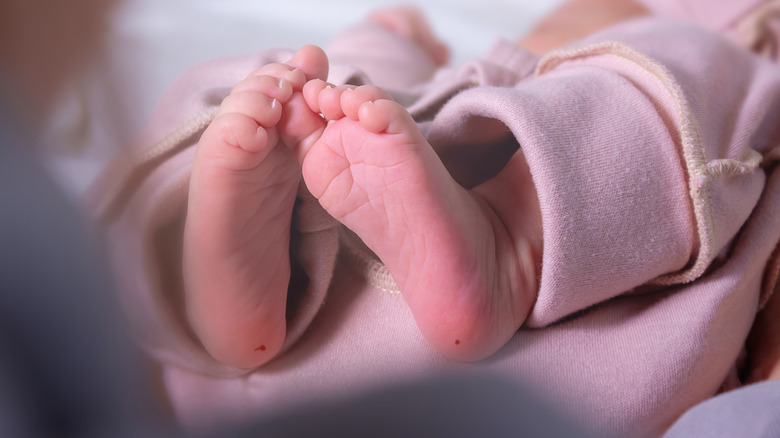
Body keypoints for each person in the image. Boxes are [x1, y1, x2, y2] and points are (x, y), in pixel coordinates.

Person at [88, 0, 780, 435]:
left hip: (247, 393)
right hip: (533, 369)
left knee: (284, 94)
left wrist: (386, 35)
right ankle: (506, 243)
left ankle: (206, 284)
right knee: (311, 97)